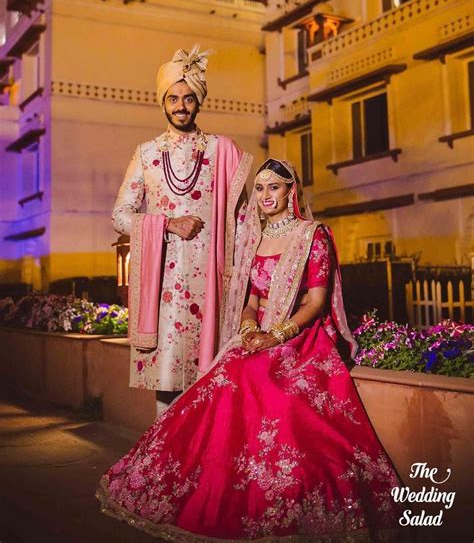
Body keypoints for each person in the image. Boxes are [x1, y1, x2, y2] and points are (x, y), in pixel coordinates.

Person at [98, 159, 405, 541]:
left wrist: (275, 336)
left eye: (273, 187)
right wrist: (247, 328)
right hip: (260, 333)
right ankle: (216, 490)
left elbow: (316, 302)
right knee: (220, 377)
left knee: (260, 380)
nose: (265, 196)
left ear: (291, 191)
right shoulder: (257, 240)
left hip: (300, 338)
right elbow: (253, 299)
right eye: (259, 189)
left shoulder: (313, 235)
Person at [111, 45, 252, 409]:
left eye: (189, 98)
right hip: (165, 289)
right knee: (169, 381)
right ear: (162, 102)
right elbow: (120, 216)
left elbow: (245, 221)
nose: (181, 106)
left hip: (214, 282)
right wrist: (169, 224)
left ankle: (204, 461)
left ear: (199, 102)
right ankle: (163, 462)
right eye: (173, 98)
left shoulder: (223, 151)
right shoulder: (146, 153)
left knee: (213, 386)